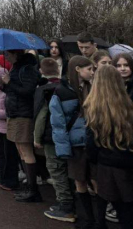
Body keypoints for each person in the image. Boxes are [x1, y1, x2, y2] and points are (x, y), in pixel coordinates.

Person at [50, 55, 103, 226]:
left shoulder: (95, 87)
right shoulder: (61, 91)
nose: (92, 72)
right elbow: (58, 123)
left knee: (96, 180)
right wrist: (63, 149)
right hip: (76, 144)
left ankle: (100, 220)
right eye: (89, 69)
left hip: (93, 141)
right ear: (78, 69)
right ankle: (88, 218)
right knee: (80, 180)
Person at [84, 64, 133, 228]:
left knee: (112, 203)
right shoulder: (128, 105)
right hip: (127, 161)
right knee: (127, 211)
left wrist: (93, 161)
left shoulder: (94, 109)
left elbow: (91, 144)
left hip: (106, 164)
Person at [33, 57, 74, 223]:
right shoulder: (68, 87)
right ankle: (68, 202)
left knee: (56, 169)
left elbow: (41, 116)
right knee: (67, 169)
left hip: (51, 135)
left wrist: (37, 137)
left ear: (41, 71)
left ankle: (65, 205)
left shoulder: (44, 90)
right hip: (68, 134)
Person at [2, 49, 41, 202]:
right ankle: (29, 186)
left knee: (26, 150)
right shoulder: (15, 68)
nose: (5, 57)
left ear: (15, 54)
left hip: (23, 114)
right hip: (14, 112)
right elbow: (12, 91)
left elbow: (27, 91)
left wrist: (9, 82)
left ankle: (33, 189)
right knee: (20, 150)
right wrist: (3, 85)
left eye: (8, 54)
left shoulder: (27, 69)